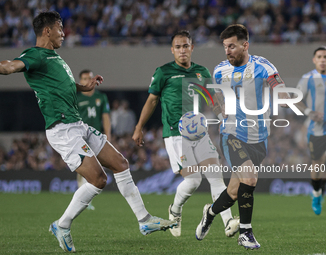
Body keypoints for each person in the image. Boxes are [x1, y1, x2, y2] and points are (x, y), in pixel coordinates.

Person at [0, 11, 176, 253]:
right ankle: (62, 225)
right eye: (59, 28)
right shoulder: (34, 55)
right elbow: (11, 65)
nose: (63, 33)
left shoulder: (54, 58)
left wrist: (83, 86)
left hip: (77, 124)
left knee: (121, 163)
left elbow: (64, 86)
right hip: (62, 129)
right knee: (98, 179)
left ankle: (145, 220)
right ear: (46, 31)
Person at [132, 30, 240, 238]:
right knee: (193, 181)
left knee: (216, 178)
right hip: (175, 133)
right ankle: (175, 210)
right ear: (172, 50)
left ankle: (228, 222)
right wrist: (139, 127)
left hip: (200, 132)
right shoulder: (163, 72)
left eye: (186, 46)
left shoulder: (201, 72)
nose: (182, 50)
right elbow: (152, 100)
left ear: (192, 48)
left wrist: (222, 115)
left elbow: (212, 99)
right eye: (178, 47)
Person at [195, 24, 290, 250]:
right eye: (225, 47)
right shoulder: (219, 70)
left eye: (232, 46)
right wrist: (219, 112)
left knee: (234, 191)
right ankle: (246, 232)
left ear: (245, 45)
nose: (227, 51)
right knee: (251, 179)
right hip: (232, 133)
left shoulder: (262, 65)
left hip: (259, 137)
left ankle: (209, 212)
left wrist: (283, 95)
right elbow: (214, 96)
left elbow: (277, 83)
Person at [294, 46, 326, 216]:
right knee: (318, 164)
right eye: (319, 57)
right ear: (314, 60)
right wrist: (309, 112)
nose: (323, 59)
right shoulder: (308, 78)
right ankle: (316, 195)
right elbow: (296, 99)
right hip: (317, 129)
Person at [76, 69, 112, 210]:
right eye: (84, 78)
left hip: (96, 137)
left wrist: (108, 136)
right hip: (81, 137)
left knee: (98, 167)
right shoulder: (76, 98)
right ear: (80, 81)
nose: (87, 81)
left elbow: (106, 117)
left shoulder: (101, 97)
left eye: (89, 78)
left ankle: (87, 197)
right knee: (83, 165)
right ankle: (85, 201)